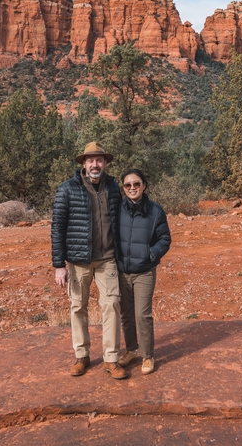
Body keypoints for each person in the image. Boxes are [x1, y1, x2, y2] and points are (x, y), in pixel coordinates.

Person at [52, 142, 128, 379]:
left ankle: (111, 359)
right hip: (78, 260)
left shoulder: (114, 188)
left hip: (108, 259)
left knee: (112, 306)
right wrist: (58, 265)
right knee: (78, 307)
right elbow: (58, 227)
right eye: (91, 160)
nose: (95, 164)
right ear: (84, 163)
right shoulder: (67, 189)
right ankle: (81, 356)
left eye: (99, 160)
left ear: (104, 163)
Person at [116, 169, 171, 375]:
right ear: (123, 188)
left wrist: (151, 255)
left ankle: (147, 356)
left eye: (136, 184)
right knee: (125, 315)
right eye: (128, 185)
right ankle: (131, 350)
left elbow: (164, 239)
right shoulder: (117, 209)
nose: (132, 188)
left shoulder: (155, 211)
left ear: (144, 185)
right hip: (121, 271)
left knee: (142, 315)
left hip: (144, 271)